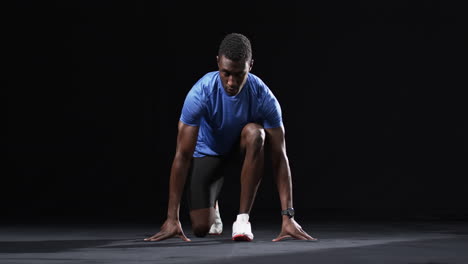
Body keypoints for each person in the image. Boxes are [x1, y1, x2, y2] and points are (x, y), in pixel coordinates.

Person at [145, 33, 316, 242]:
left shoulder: (263, 96)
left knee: (256, 134)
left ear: (250, 66)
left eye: (239, 74)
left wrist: (288, 216)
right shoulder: (200, 93)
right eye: (226, 73)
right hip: (210, 153)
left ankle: (242, 221)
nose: (231, 82)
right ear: (218, 62)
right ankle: (212, 204)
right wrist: (172, 217)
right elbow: (182, 155)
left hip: (241, 149)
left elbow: (280, 157)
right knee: (200, 228)